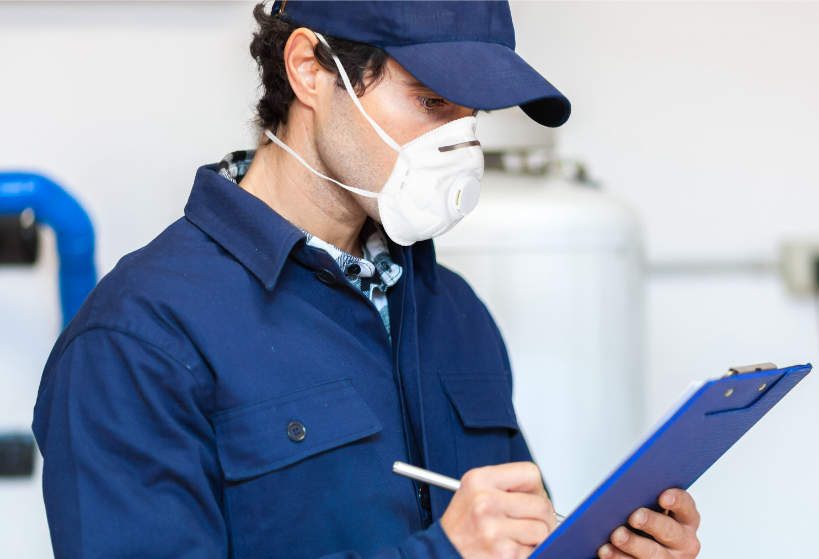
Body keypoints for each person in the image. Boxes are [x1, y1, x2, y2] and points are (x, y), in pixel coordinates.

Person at [32, 1, 702, 558]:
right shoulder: (137, 338)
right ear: (309, 69)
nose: (460, 145)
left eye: (474, 115)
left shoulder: (455, 311)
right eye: (431, 99)